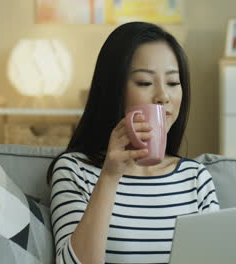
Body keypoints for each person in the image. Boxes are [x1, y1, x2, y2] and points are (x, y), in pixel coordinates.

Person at [47, 21, 220, 264]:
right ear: (114, 89)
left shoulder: (196, 178)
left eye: (172, 83)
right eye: (144, 83)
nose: (163, 96)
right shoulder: (75, 171)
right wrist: (109, 176)